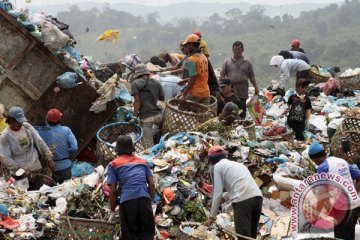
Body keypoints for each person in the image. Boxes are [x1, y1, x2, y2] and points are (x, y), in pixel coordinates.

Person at [203, 146, 263, 238]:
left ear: (211, 160)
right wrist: (225, 197)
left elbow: (217, 192)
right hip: (257, 198)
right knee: (251, 235)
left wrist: (211, 217)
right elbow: (237, 185)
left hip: (243, 201)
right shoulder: (238, 165)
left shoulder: (218, 167)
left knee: (243, 237)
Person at [308, 142, 360, 240]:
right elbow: (358, 177)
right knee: (350, 234)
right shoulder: (341, 161)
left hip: (343, 210)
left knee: (341, 236)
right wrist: (355, 194)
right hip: (355, 206)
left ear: (315, 159)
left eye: (314, 161)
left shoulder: (322, 168)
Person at [107, 135, 155, 239]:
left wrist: (112, 210)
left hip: (127, 202)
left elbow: (113, 191)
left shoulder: (113, 164)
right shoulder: (143, 162)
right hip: (144, 199)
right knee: (146, 233)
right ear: (132, 148)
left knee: (130, 235)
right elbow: (151, 184)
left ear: (117, 150)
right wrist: (148, 200)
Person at [0, 106, 54, 190]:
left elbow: (40, 141)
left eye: (21, 121)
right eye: (18, 122)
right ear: (11, 121)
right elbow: (4, 157)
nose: (21, 124)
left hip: (35, 169)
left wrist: (49, 158)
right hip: (19, 175)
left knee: (38, 194)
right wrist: (19, 169)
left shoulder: (26, 127)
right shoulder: (5, 136)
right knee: (23, 198)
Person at [220, 41, 260, 119]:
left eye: (238, 49)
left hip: (242, 89)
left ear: (242, 50)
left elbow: (252, 76)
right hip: (230, 90)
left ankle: (242, 124)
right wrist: (221, 89)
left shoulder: (247, 63)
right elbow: (222, 76)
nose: (237, 51)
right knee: (229, 109)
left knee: (241, 109)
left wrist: (256, 88)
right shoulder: (227, 62)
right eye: (235, 49)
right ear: (232, 50)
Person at [129, 64, 164, 149]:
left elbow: (137, 102)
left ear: (137, 75)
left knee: (148, 146)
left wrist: (134, 116)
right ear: (147, 73)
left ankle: (152, 159)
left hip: (147, 118)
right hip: (159, 116)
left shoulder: (135, 84)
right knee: (162, 136)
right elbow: (162, 98)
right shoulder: (156, 82)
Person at [46, 108, 78, 183]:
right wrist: (67, 152)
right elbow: (74, 147)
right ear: (60, 119)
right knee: (67, 188)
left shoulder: (44, 133)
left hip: (51, 168)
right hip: (65, 166)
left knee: (56, 189)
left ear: (47, 120)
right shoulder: (66, 130)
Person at [179, 34, 211, 105]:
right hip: (206, 93)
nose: (187, 47)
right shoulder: (204, 57)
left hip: (195, 94)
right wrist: (187, 80)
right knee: (203, 115)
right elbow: (200, 76)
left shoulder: (191, 59)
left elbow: (193, 78)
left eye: (187, 45)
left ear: (191, 45)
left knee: (181, 107)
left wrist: (184, 95)